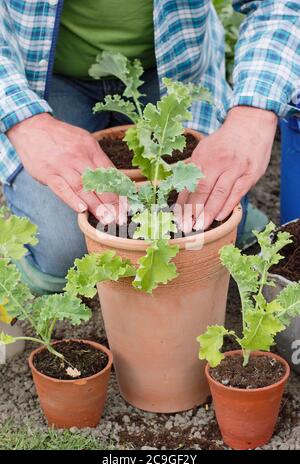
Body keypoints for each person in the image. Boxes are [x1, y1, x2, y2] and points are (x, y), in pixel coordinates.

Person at [0, 1, 299, 293]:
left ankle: (240, 220)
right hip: (43, 78)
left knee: (203, 223)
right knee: (66, 250)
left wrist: (253, 114)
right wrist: (25, 121)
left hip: (175, 65)